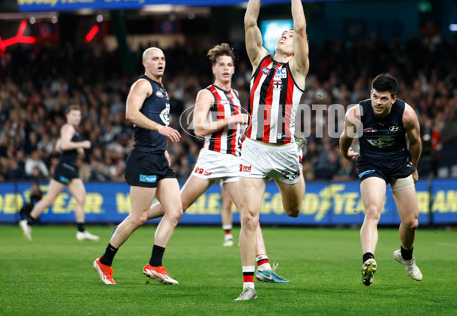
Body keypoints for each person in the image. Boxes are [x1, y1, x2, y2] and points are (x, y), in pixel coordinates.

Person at [140, 43, 289, 283]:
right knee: (177, 208)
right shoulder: (207, 93)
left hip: (233, 161)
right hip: (212, 158)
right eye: (222, 65)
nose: (227, 69)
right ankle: (140, 218)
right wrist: (232, 120)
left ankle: (263, 265)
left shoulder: (235, 95)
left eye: (230, 65)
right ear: (214, 68)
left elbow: (234, 132)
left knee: (249, 213)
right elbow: (198, 127)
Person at [234, 0, 309, 301]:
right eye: (283, 33)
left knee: (293, 211)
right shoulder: (259, 60)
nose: (287, 34)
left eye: (290, 35)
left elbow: (302, 28)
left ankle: (296, 176)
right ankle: (249, 284)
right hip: (254, 148)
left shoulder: (298, 69)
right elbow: (250, 22)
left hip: (286, 152)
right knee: (249, 217)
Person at [93, 47, 182, 285]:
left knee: (175, 210)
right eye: (155, 59)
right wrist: (159, 129)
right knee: (139, 217)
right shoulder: (142, 85)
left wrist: (163, 147)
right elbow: (131, 114)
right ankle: (105, 261)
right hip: (143, 158)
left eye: (163, 58)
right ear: (145, 63)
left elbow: (156, 118)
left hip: (159, 158)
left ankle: (155, 264)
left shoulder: (161, 88)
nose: (160, 62)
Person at [339, 73, 423, 286]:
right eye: (375, 96)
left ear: (393, 99)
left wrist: (414, 167)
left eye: (384, 98)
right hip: (371, 165)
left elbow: (415, 142)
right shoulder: (357, 113)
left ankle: (405, 256)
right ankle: (368, 260)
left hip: (399, 164)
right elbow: (345, 139)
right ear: (371, 94)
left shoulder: (406, 114)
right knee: (373, 211)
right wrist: (345, 153)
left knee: (412, 222)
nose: (378, 102)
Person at [19, 105, 99, 242]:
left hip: (70, 168)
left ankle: (81, 231)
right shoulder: (68, 128)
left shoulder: (71, 130)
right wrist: (81, 144)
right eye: (73, 115)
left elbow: (57, 146)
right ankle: (28, 222)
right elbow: (64, 146)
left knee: (81, 198)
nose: (76, 118)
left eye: (78, 115)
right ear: (67, 116)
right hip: (64, 168)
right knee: (50, 199)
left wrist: (76, 147)